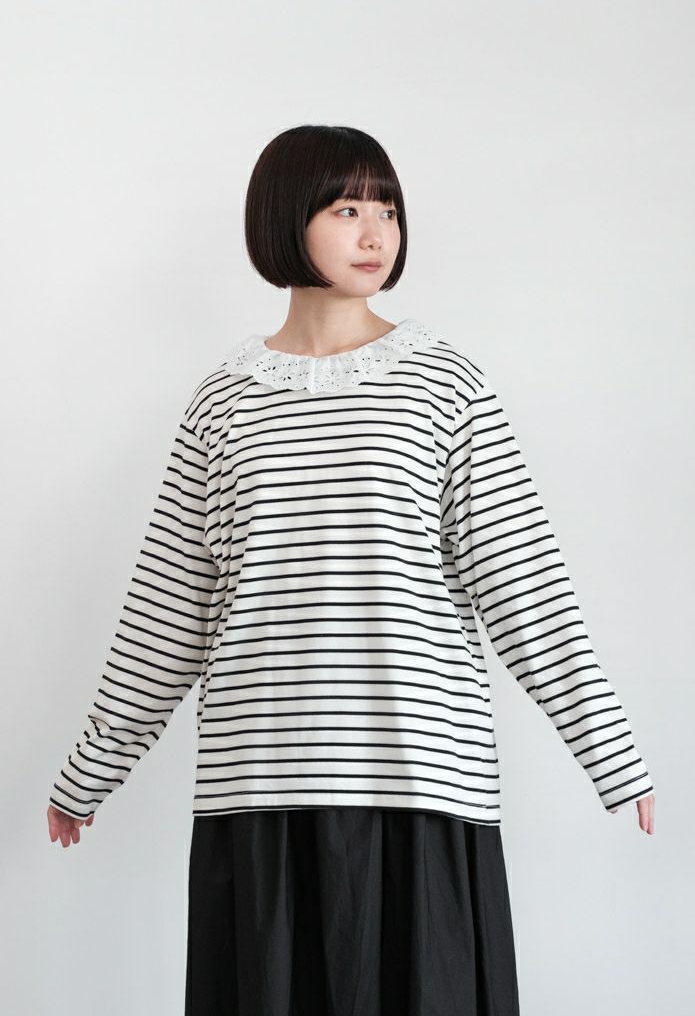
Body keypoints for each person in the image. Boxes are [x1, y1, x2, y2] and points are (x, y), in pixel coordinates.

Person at [47, 124, 655, 1015]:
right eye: (346, 209)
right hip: (260, 790)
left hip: (418, 785)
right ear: (284, 219)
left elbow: (524, 584)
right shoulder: (222, 401)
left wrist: (611, 752)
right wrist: (90, 771)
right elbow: (170, 613)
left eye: (389, 211)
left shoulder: (445, 385)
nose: (377, 234)